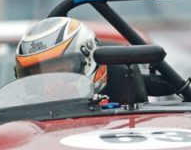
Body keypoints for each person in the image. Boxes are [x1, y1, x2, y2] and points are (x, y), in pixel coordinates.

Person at [15, 17, 148, 103]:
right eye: (42, 78)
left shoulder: (128, 120)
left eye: (62, 71)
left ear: (89, 59)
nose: (52, 85)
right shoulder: (24, 127)